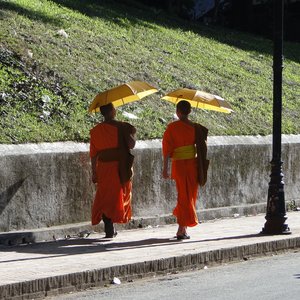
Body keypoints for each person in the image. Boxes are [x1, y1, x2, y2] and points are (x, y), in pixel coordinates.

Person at [162, 100, 209, 240]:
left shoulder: (171, 128)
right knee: (190, 196)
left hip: (179, 165)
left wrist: (165, 168)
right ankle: (182, 228)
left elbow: (166, 151)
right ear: (190, 112)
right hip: (192, 165)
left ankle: (182, 227)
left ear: (177, 112)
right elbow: (202, 147)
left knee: (183, 195)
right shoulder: (195, 128)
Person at [90, 103, 136, 238]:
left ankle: (108, 224)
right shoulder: (122, 127)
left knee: (105, 196)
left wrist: (94, 171)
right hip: (119, 166)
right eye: (114, 108)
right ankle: (110, 223)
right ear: (112, 112)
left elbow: (93, 154)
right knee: (117, 195)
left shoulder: (95, 130)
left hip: (103, 167)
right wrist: (130, 133)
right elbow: (132, 145)